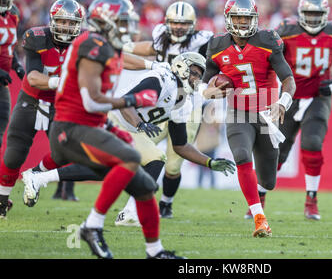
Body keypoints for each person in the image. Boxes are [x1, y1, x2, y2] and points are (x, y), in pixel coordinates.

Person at [22, 52, 235, 228]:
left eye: (199, 76)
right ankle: (129, 213)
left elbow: (180, 145)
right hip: (113, 117)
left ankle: (39, 178)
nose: (197, 79)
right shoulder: (163, 80)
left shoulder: (184, 102)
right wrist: (140, 125)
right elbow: (125, 103)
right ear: (182, 67)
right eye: (195, 73)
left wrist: (208, 162)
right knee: (155, 158)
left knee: (105, 169)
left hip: (127, 127)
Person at [46, 0, 182, 259]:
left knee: (144, 186)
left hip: (92, 126)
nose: (126, 28)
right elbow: (91, 101)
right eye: (121, 22)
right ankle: (92, 225)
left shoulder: (108, 47)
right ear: (104, 22)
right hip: (70, 127)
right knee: (131, 157)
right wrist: (132, 99)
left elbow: (131, 55)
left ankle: (155, 252)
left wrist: (154, 63)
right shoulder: (91, 44)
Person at [201, 0, 296, 237]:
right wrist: (212, 91)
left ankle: (261, 197)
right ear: (228, 19)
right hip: (238, 112)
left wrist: (283, 103)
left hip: (265, 114)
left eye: (246, 18)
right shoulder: (216, 45)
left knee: (269, 180)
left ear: (254, 18)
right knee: (242, 156)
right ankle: (259, 219)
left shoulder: (267, 40)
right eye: (237, 18)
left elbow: (288, 79)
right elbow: (204, 86)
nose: (242, 23)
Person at [117, 1, 214, 219]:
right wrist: (118, 46)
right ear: (167, 23)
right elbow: (138, 49)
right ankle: (138, 197)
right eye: (175, 22)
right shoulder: (161, 40)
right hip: (161, 104)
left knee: (173, 164)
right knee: (141, 152)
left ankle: (166, 204)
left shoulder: (202, 43)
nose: (179, 27)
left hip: (187, 107)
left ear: (193, 24)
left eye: (184, 23)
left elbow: (215, 66)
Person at [272, 0, 332, 220]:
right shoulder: (286, 31)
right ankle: (258, 199)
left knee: (312, 143)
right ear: (300, 13)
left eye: (316, 14)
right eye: (308, 14)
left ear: (325, 14)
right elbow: (271, 58)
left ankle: (311, 200)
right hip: (289, 98)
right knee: (276, 152)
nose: (312, 19)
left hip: (318, 97)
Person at [0, 0, 84, 216]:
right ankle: (1, 201)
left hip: (60, 105)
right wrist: (60, 81)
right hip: (31, 100)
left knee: (65, 152)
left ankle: (36, 174)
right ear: (52, 21)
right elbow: (34, 77)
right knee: (14, 154)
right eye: (61, 21)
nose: (65, 27)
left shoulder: (84, 43)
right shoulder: (37, 37)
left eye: (70, 23)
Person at [0, 0, 27, 217]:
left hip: (2, 85)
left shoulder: (14, 14)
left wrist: (17, 65)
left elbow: (10, 47)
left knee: (0, 137)